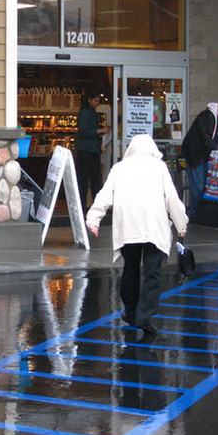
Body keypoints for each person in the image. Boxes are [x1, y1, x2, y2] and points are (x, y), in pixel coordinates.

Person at [86, 134, 188, 335]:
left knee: (130, 269)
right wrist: (181, 223)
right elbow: (172, 198)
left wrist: (93, 219)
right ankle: (145, 316)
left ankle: (131, 312)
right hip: (154, 226)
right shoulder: (159, 167)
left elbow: (105, 195)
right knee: (152, 273)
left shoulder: (119, 168)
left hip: (128, 226)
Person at [181, 100, 218, 217]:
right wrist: (217, 152)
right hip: (196, 155)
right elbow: (205, 137)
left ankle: (203, 213)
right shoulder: (206, 117)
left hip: (208, 157)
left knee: (208, 185)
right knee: (199, 186)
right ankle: (195, 214)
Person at [76, 90, 111, 212]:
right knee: (89, 179)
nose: (97, 103)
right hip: (87, 150)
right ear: (89, 100)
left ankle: (87, 205)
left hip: (89, 150)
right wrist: (101, 131)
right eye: (95, 100)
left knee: (89, 179)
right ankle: (86, 205)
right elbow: (83, 131)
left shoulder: (90, 112)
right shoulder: (85, 113)